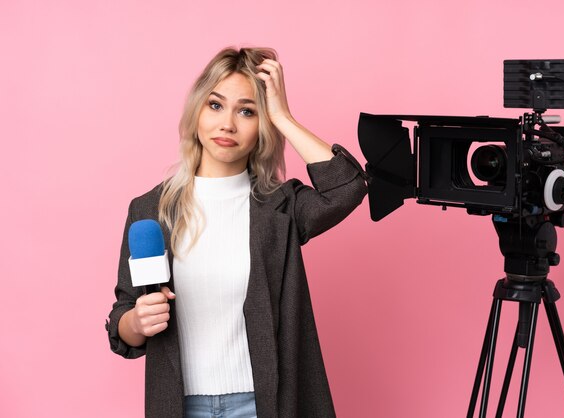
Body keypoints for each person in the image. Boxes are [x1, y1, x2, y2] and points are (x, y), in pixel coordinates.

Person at [106, 46, 368, 418]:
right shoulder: (150, 210)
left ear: (262, 127)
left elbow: (346, 188)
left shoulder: (281, 206)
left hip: (263, 405)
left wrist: (282, 115)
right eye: (215, 105)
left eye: (247, 111)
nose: (227, 123)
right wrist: (136, 321)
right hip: (179, 407)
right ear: (197, 110)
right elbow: (124, 321)